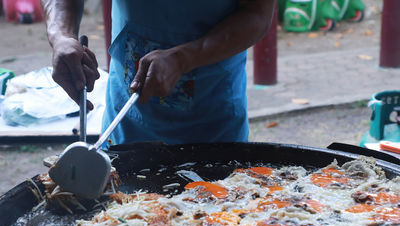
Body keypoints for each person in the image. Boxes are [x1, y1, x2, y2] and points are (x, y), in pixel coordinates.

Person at [41, 0, 276, 147]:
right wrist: (61, 35)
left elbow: (257, 13)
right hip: (125, 117)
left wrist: (185, 57)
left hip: (212, 120)